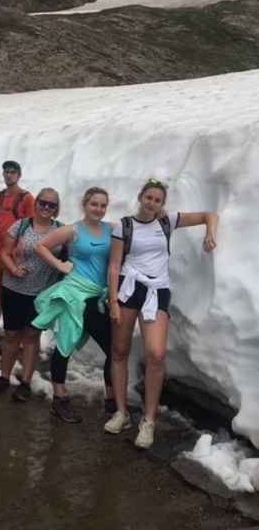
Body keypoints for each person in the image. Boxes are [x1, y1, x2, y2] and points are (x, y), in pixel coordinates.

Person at [105, 179, 218, 448]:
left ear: (162, 204)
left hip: (157, 290)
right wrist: (112, 301)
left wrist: (210, 234)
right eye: (149, 198)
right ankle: (121, 412)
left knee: (156, 354)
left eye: (157, 200)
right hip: (128, 289)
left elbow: (209, 215)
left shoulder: (167, 221)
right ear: (140, 197)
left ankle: (148, 421)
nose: (152, 203)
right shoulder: (125, 225)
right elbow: (114, 265)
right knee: (119, 350)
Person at [33, 187, 113, 422]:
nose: (98, 209)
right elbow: (41, 246)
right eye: (94, 204)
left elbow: (136, 230)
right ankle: (59, 399)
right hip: (75, 294)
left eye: (102, 205)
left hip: (98, 297)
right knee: (66, 345)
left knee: (113, 349)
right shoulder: (73, 230)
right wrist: (59, 265)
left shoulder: (111, 229)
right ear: (85, 205)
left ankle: (111, 400)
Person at [0, 188, 62, 401]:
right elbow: (4, 252)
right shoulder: (20, 225)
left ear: (57, 209)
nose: (46, 207)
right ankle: (4, 376)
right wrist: (12, 268)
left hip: (41, 294)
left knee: (31, 336)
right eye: (43, 202)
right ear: (36, 203)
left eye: (51, 204)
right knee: (11, 335)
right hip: (13, 288)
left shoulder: (60, 230)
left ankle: (26, 382)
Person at [0, 160, 34, 345]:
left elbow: (31, 225)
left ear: (19, 175)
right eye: (6, 172)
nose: (9, 175)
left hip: (16, 254)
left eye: (13, 172)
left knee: (12, 293)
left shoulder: (27, 198)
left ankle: (13, 331)